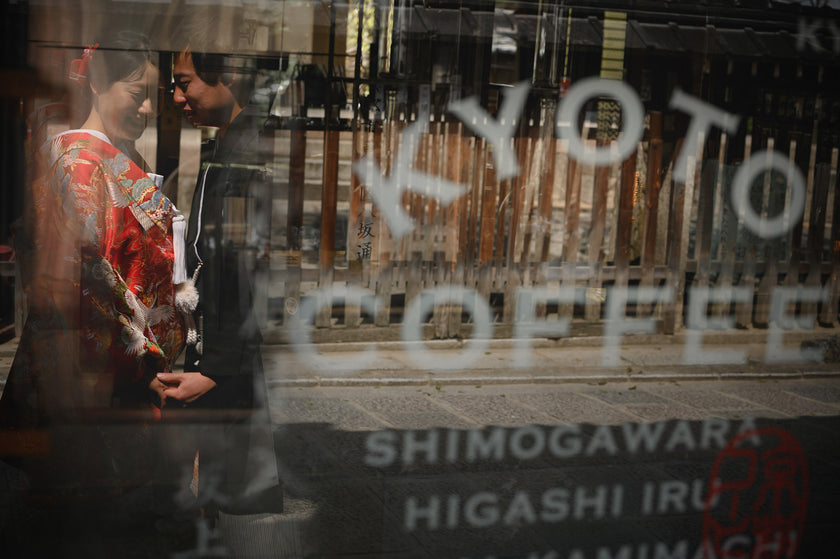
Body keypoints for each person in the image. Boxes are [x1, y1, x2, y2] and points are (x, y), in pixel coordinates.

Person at [0, 32, 187, 554]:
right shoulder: (81, 162)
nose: (149, 107)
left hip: (111, 363)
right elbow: (87, 274)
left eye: (154, 93)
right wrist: (145, 359)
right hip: (101, 371)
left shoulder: (100, 156)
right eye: (137, 93)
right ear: (99, 83)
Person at [158, 39, 282, 523]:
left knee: (233, 497)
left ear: (225, 76)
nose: (175, 97)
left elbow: (248, 266)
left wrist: (215, 368)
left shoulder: (252, 151)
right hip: (218, 345)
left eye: (184, 82)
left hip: (229, 354)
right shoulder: (229, 144)